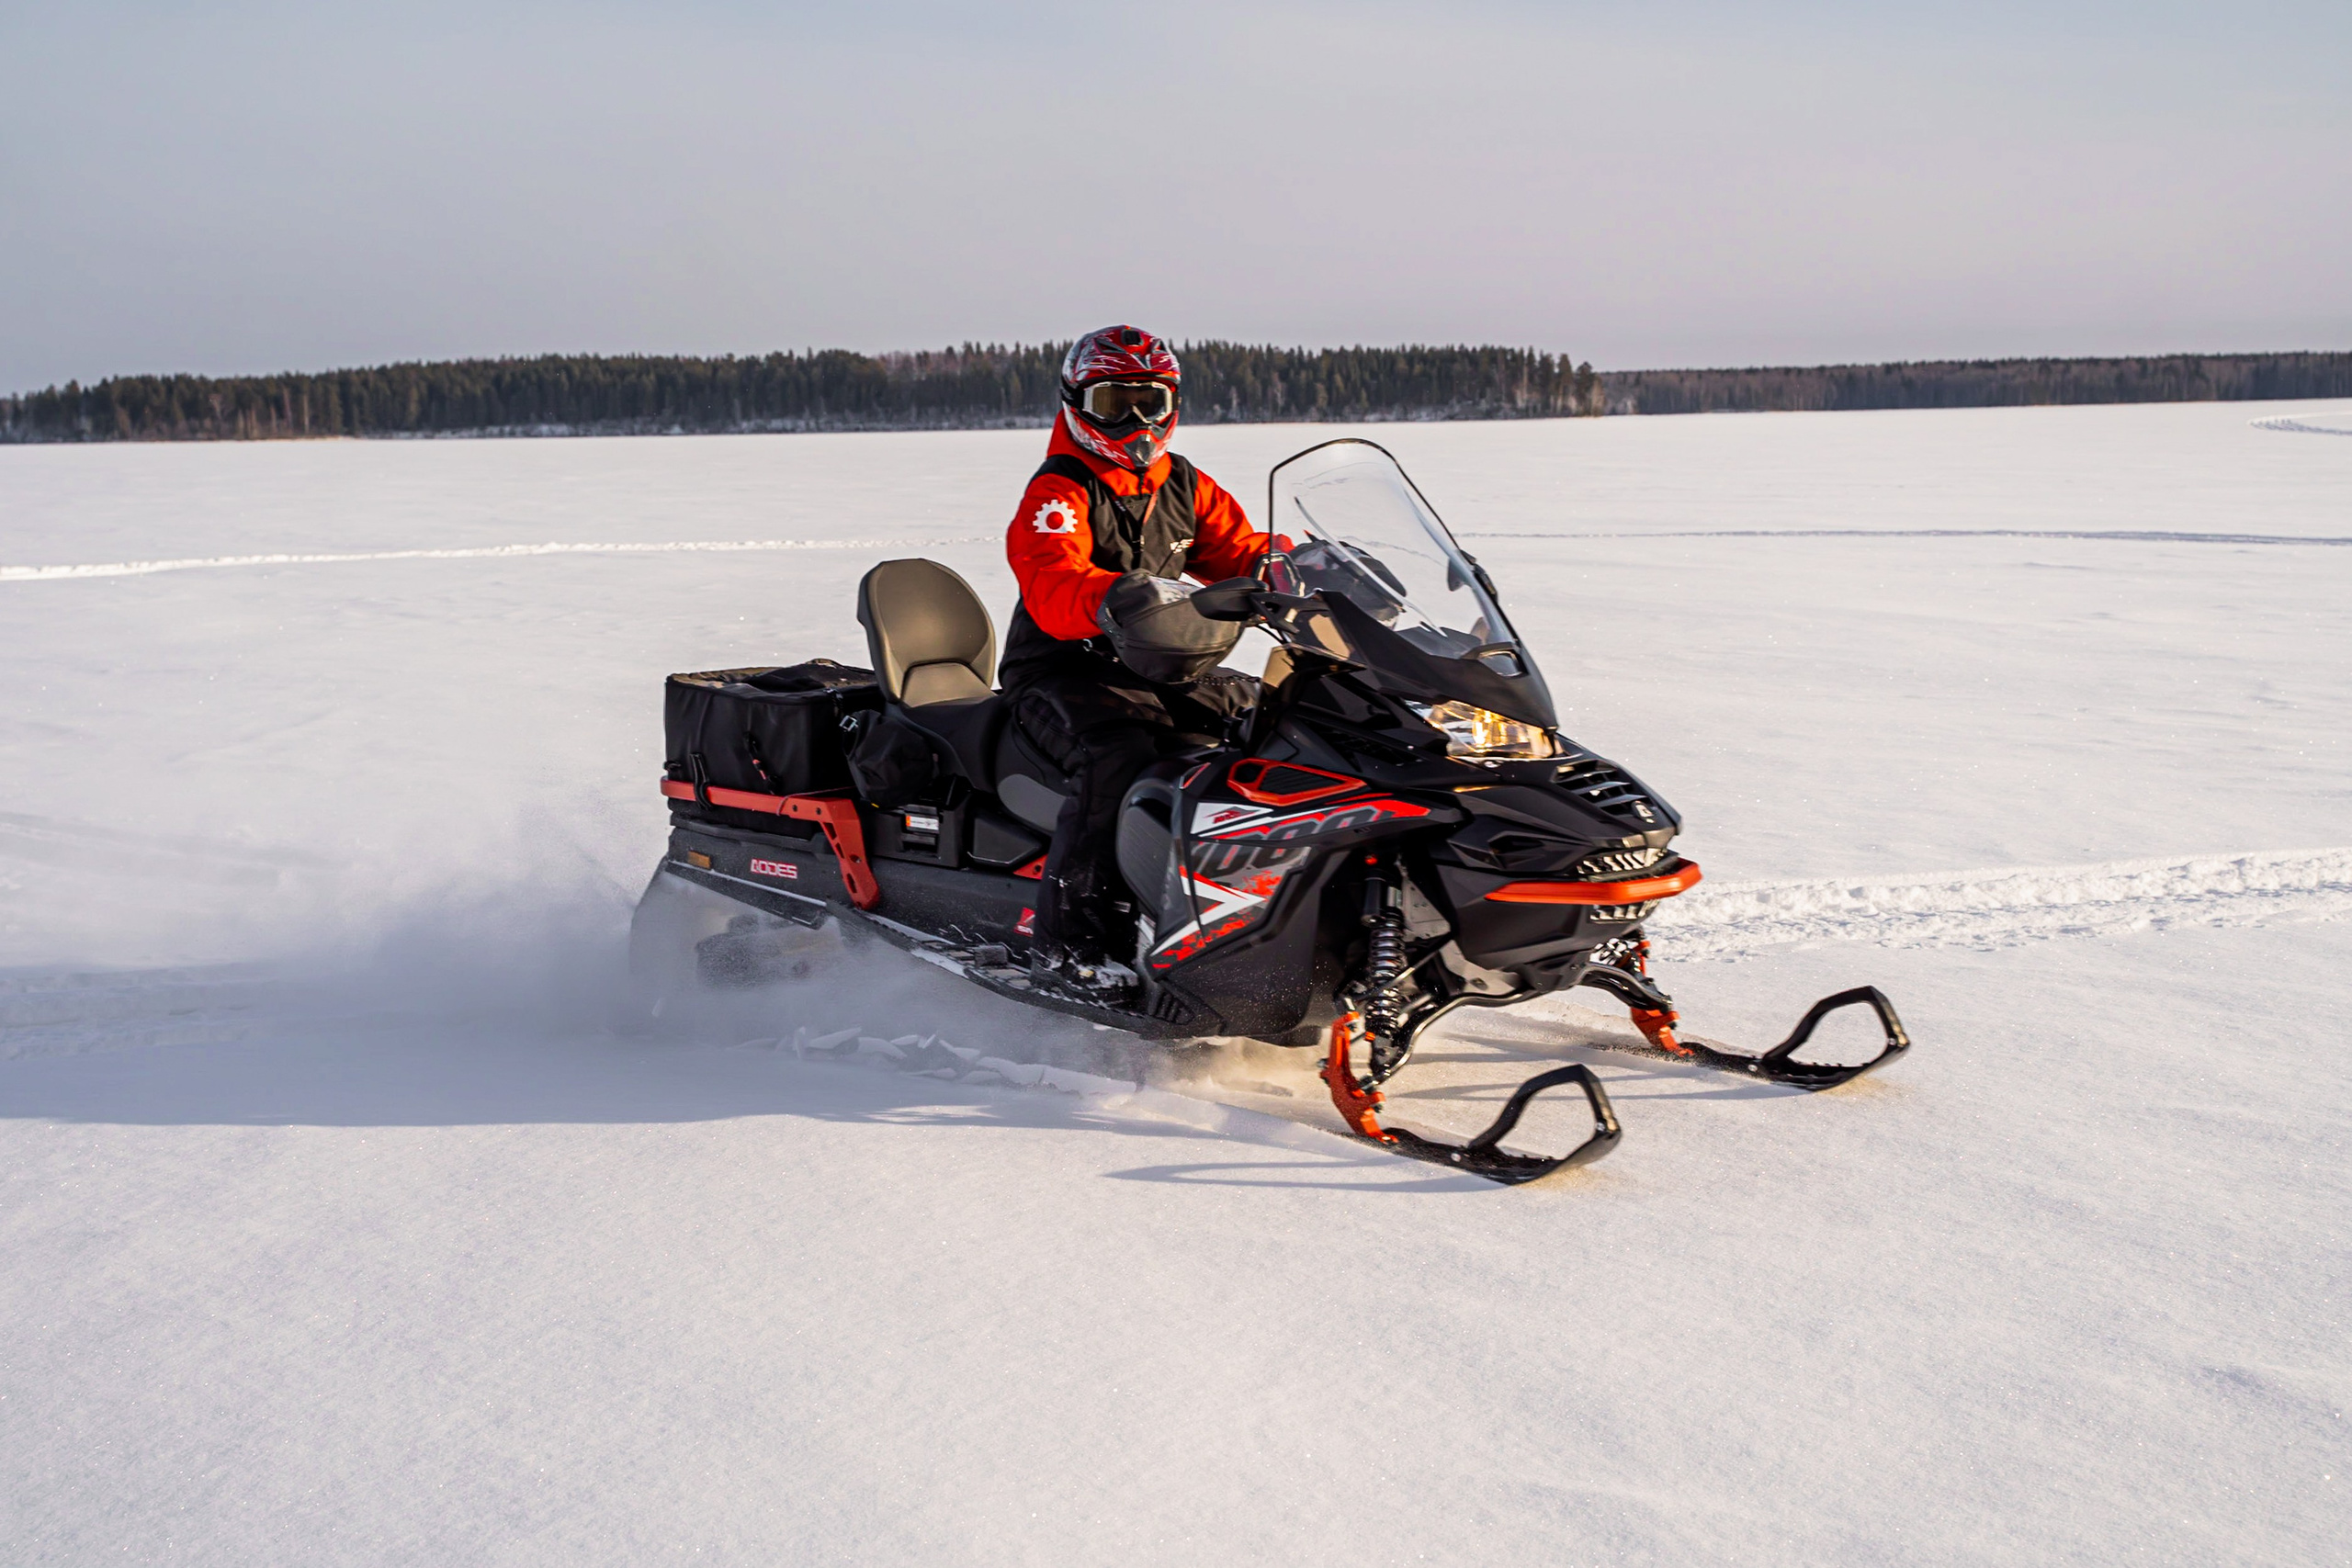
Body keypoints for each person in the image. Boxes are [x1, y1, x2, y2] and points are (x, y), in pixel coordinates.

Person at [1001, 325, 1277, 991]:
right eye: (1111, 403)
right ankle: (1072, 947)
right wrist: (1111, 595)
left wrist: (1294, 566)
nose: (1132, 420)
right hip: (1063, 666)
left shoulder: (1181, 483)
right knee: (1117, 758)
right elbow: (1049, 578)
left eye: (1146, 402)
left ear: (1171, 404)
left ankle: (1256, 907)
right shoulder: (1059, 491)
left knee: (1271, 718)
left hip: (1162, 661)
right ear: (1076, 404)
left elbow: (1241, 547)